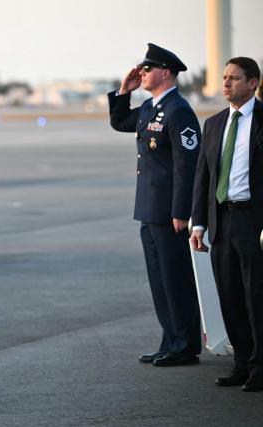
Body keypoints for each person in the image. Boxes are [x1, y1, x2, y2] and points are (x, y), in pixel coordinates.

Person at [108, 43, 202, 366]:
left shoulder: (179, 110)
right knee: (160, 282)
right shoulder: (150, 108)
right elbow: (120, 122)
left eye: (147, 69)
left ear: (166, 72)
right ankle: (170, 340)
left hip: (168, 213)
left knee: (177, 281)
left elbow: (186, 165)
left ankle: (185, 346)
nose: (142, 73)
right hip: (149, 209)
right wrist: (124, 90)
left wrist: (182, 211)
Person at [190, 57, 263, 392]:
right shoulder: (215, 123)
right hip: (222, 221)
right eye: (224, 77)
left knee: (256, 297)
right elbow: (203, 179)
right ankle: (242, 364)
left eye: (234, 78)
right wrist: (199, 224)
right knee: (230, 297)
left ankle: (260, 367)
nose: (226, 84)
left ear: (253, 82)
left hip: (253, 220)